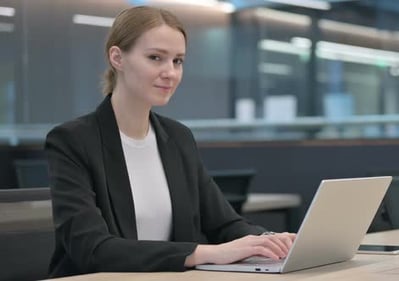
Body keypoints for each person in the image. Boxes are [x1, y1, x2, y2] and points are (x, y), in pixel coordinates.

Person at [45, 5, 295, 278]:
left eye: (178, 61)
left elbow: (225, 223)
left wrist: (271, 242)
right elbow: (93, 250)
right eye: (155, 58)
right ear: (117, 57)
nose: (171, 73)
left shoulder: (177, 138)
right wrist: (206, 253)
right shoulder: (73, 141)